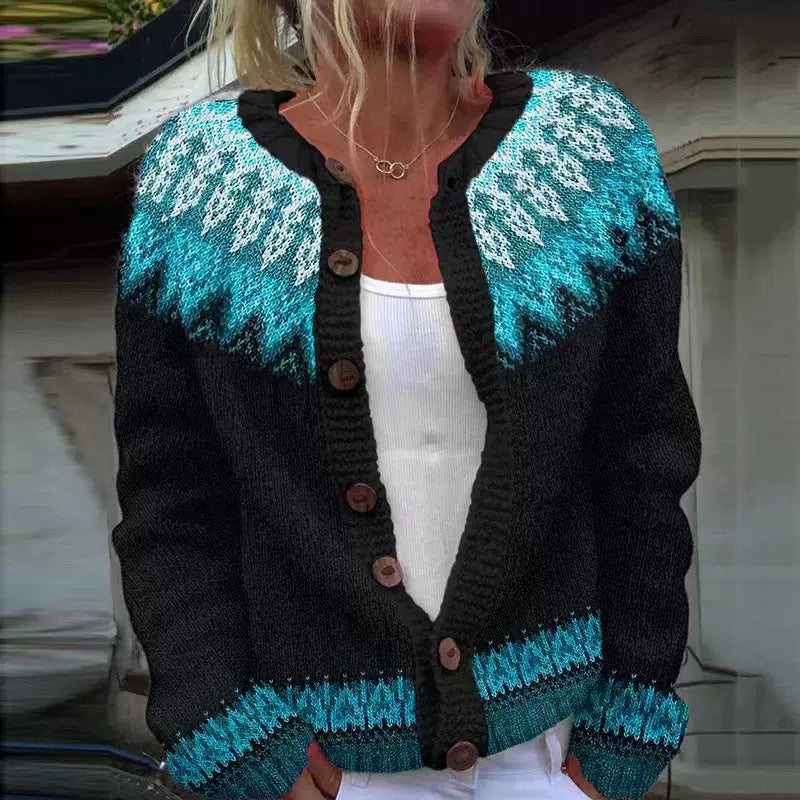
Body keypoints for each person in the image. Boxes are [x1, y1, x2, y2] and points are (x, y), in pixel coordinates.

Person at [112, 1, 701, 798]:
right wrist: (235, 740)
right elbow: (172, 498)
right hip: (313, 761)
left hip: (551, 758)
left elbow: (643, 457)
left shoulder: (588, 149)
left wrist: (625, 726)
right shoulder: (202, 185)